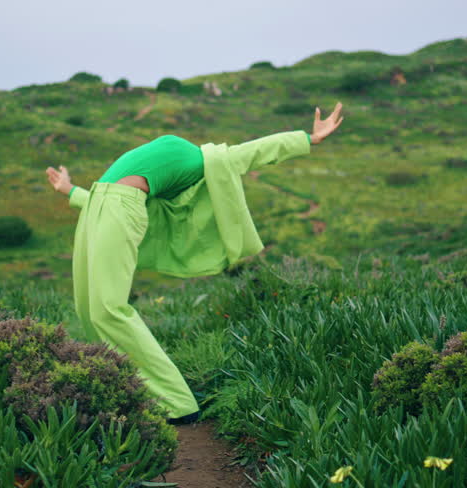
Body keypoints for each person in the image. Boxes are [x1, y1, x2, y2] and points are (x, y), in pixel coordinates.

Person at [45, 102, 345, 423]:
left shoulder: (208, 160)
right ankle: (118, 383)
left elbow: (253, 152)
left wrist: (308, 139)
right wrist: (70, 190)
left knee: (108, 307)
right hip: (99, 205)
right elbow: (106, 196)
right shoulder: (192, 158)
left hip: (118, 208)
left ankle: (176, 402)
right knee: (88, 307)